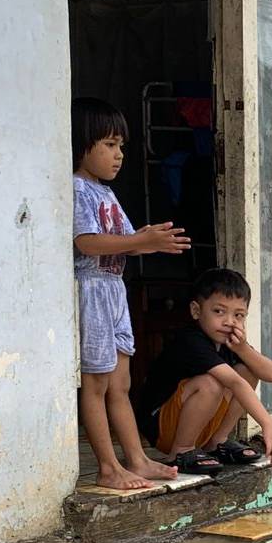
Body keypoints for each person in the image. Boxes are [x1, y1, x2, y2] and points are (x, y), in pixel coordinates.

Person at [72, 97, 188, 490]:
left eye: (120, 146)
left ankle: (135, 458)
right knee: (97, 383)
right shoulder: (77, 190)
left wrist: (151, 242)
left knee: (121, 383)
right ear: (81, 143)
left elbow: (124, 241)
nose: (118, 155)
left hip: (115, 291)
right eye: (109, 144)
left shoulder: (106, 193)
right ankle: (108, 467)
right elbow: (87, 242)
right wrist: (139, 240)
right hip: (92, 290)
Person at [135, 268, 272, 475]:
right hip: (163, 426)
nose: (229, 321)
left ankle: (217, 443)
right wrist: (267, 426)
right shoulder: (191, 340)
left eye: (238, 315)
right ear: (196, 311)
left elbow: (271, 374)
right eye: (219, 311)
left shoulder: (229, 340)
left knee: (248, 370)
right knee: (211, 383)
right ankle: (181, 452)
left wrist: (242, 349)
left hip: (200, 426)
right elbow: (235, 384)